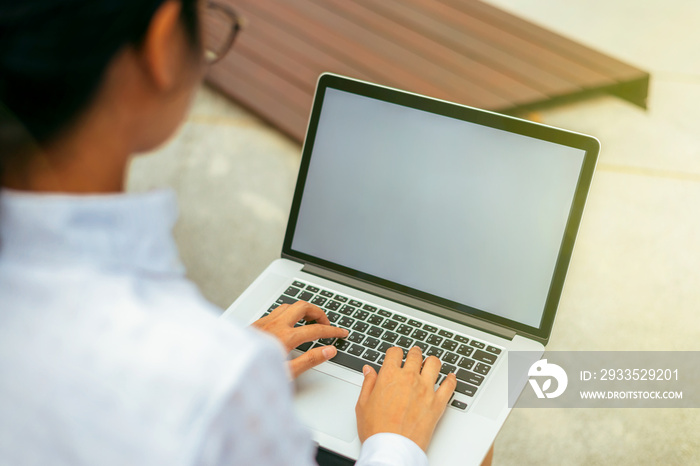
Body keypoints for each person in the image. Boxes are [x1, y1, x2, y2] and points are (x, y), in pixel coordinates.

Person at [0, 1, 464, 465]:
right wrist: (395, 444)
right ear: (162, 45)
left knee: (523, 389)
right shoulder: (216, 381)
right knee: (471, 448)